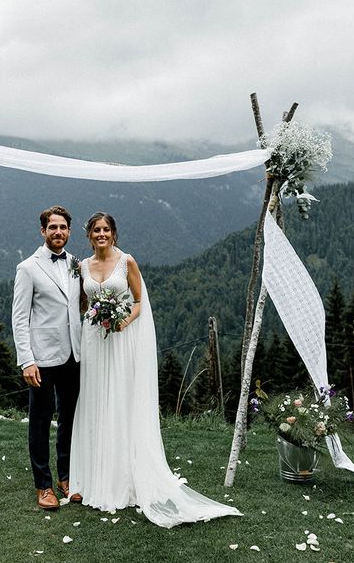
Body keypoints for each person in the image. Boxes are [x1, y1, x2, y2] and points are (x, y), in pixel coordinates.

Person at [69, 212, 242, 528]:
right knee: (96, 404)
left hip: (121, 341)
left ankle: (123, 477)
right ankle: (96, 477)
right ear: (89, 235)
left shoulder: (127, 262)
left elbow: (139, 302)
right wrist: (94, 318)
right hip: (95, 342)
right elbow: (84, 302)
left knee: (120, 403)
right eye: (96, 230)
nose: (101, 234)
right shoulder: (83, 266)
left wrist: (124, 320)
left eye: (106, 229)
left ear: (114, 233)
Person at [12, 205, 83, 510]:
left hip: (75, 355)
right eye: (52, 227)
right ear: (42, 231)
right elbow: (19, 317)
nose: (58, 232)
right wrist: (26, 359)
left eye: (63, 227)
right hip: (41, 357)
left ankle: (67, 476)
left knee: (71, 418)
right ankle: (43, 485)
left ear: (69, 231)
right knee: (40, 421)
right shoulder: (28, 268)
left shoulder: (77, 265)